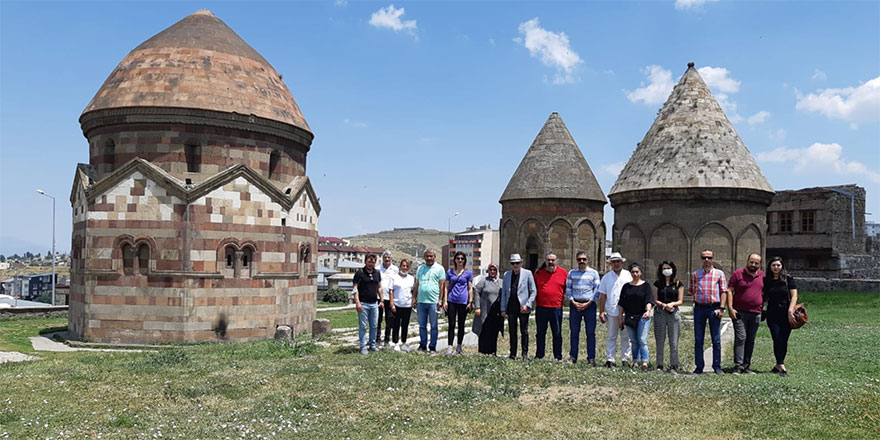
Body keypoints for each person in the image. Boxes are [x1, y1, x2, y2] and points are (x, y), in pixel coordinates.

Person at [690, 249, 728, 374]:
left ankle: (717, 366)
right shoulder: (696, 274)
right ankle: (699, 366)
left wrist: (722, 308)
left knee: (716, 339)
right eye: (704, 257)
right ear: (701, 259)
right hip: (700, 308)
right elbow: (692, 290)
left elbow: (723, 291)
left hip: (714, 308)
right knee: (698, 338)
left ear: (713, 259)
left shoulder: (719, 274)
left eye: (709, 258)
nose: (706, 260)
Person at [727, 254, 764, 374]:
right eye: (751, 262)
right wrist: (730, 308)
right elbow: (730, 291)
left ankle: (746, 366)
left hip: (756, 313)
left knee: (750, 340)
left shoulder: (762, 275)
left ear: (760, 264)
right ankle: (738, 366)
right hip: (740, 313)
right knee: (741, 338)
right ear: (747, 261)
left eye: (756, 263)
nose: (753, 265)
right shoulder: (737, 274)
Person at [763, 256, 798, 377]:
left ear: (782, 266)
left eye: (778, 265)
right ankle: (781, 365)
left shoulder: (788, 279)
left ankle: (778, 365)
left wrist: (790, 311)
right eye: (773, 265)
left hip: (786, 312)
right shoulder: (766, 280)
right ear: (770, 267)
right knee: (776, 338)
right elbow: (763, 296)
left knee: (784, 339)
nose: (776, 267)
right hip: (772, 313)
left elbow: (794, 296)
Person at [598, 252, 633, 367]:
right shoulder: (606, 277)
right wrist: (601, 311)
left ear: (622, 262)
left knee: (626, 336)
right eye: (614, 262)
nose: (616, 264)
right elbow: (603, 295)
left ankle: (625, 359)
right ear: (610, 264)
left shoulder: (628, 275)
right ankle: (610, 359)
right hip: (612, 310)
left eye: (618, 261)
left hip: (626, 311)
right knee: (611, 336)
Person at [566, 251, 600, 365]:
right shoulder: (572, 273)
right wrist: (573, 301)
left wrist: (589, 302)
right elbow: (568, 288)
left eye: (584, 259)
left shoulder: (593, 273)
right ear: (576, 260)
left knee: (590, 333)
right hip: (575, 305)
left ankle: (591, 358)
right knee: (574, 332)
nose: (582, 261)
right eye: (579, 259)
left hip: (589, 305)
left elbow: (596, 290)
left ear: (587, 260)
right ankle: (573, 356)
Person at [500, 253, 537, 360]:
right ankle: (513, 353)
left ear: (521, 263)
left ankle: (524, 353)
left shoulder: (528, 273)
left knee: (524, 331)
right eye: (513, 263)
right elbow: (504, 293)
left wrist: (528, 304)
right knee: (512, 331)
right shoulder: (507, 274)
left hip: (523, 306)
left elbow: (533, 291)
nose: (515, 265)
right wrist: (503, 308)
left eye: (517, 263)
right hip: (511, 306)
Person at [618, 263, 653, 371]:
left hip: (643, 316)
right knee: (633, 341)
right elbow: (622, 303)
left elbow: (649, 300)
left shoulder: (646, 286)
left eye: (637, 271)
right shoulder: (626, 287)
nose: (635, 274)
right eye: (633, 272)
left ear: (641, 272)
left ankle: (645, 362)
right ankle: (636, 361)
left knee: (642, 340)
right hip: (629, 317)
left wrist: (648, 311)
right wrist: (620, 317)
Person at [653, 261, 684, 373]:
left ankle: (674, 365)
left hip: (673, 312)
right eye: (664, 268)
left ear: (673, 269)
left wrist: (672, 304)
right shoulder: (657, 283)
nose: (667, 270)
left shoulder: (678, 283)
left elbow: (680, 300)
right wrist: (663, 305)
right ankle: (659, 364)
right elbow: (655, 299)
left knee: (674, 340)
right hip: (660, 312)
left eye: (668, 268)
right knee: (660, 339)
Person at [442, 251, 474, 355]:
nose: (460, 260)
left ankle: (459, 346)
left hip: (463, 301)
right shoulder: (450, 272)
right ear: (455, 260)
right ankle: (450, 346)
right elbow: (446, 287)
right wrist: (445, 301)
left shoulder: (468, 273)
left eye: (462, 258)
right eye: (458, 258)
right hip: (451, 300)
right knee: (451, 324)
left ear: (464, 260)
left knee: (461, 324)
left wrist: (470, 301)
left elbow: (470, 288)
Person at [413, 250, 445, 353]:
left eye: (431, 256)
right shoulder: (420, 268)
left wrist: (441, 300)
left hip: (433, 302)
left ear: (434, 256)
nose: (429, 258)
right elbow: (416, 284)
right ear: (424, 257)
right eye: (427, 256)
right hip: (421, 302)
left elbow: (442, 286)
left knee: (434, 326)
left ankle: (432, 346)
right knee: (422, 325)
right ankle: (423, 345)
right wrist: (414, 298)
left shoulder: (440, 269)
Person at [353, 254, 383, 355]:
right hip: (363, 303)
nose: (371, 264)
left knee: (374, 325)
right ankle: (363, 346)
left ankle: (372, 345)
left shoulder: (377, 273)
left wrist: (381, 300)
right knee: (363, 326)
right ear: (365, 261)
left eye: (373, 262)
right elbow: (355, 288)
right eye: (369, 261)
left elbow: (379, 287)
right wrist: (357, 302)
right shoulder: (360, 273)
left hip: (374, 304)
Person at [473, 262, 503, 355]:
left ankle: (493, 351)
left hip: (496, 311)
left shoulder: (501, 282)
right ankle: (483, 351)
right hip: (485, 310)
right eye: (491, 270)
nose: (492, 271)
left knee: (494, 330)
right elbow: (476, 291)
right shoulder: (484, 281)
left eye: (494, 270)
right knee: (484, 330)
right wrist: (477, 307)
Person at [389, 259, 415, 352]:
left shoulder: (411, 278)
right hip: (397, 304)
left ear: (409, 267)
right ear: (400, 266)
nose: (404, 268)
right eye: (403, 266)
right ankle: (395, 343)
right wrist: (392, 303)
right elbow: (391, 290)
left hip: (407, 305)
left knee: (405, 325)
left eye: (406, 266)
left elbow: (413, 291)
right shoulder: (394, 277)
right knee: (396, 324)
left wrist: (414, 301)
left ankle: (404, 343)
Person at [377, 250, 399, 347]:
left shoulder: (395, 269)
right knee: (378, 319)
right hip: (379, 297)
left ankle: (386, 339)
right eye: (385, 257)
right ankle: (377, 339)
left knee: (389, 319)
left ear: (391, 258)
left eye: (388, 257)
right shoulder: (377, 269)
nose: (387, 259)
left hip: (390, 298)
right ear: (382, 258)